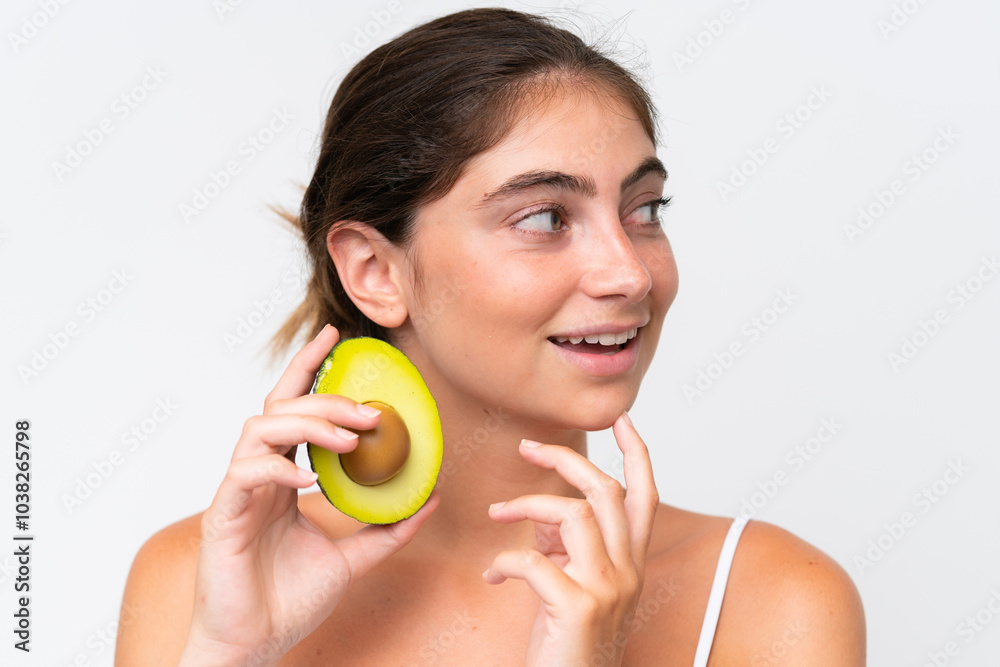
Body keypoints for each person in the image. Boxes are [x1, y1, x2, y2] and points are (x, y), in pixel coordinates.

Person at [116, 7, 865, 665]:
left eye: (644, 209)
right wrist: (229, 655)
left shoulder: (773, 600)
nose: (629, 273)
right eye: (545, 218)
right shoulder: (200, 580)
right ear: (376, 270)